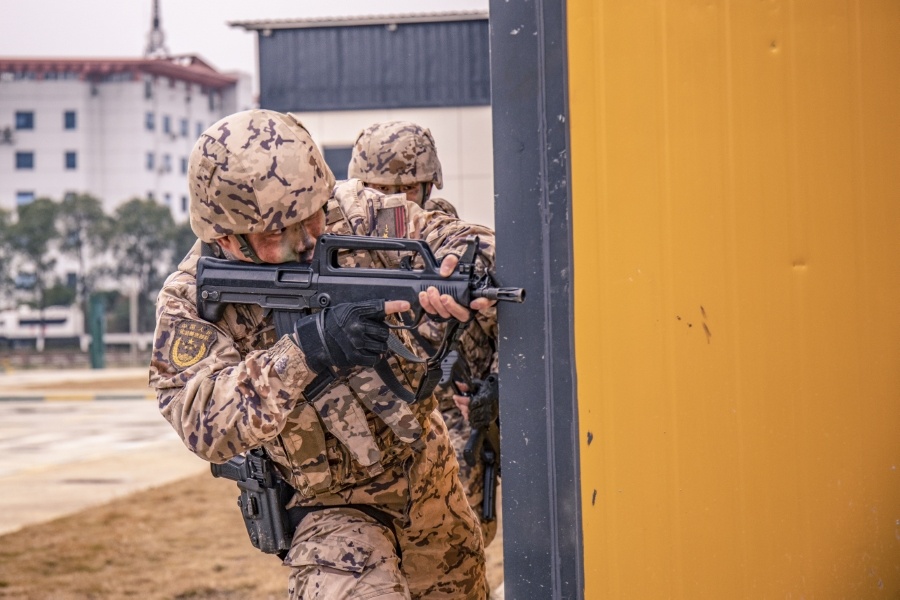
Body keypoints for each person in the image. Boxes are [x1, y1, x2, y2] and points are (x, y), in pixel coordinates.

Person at [149, 109, 497, 599]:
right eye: (277, 234)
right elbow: (201, 418)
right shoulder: (190, 301)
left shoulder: (358, 209)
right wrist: (308, 351)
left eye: (311, 215)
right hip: (328, 507)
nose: (308, 239)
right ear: (225, 237)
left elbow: (448, 235)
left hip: (426, 480)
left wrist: (465, 259)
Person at [349, 120, 501, 547]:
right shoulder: (345, 253)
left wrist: (496, 383)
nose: (395, 204)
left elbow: (511, 323)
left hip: (456, 421)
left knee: (457, 554)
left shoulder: (456, 250)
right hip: (376, 433)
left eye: (408, 191)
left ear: (429, 188)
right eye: (379, 191)